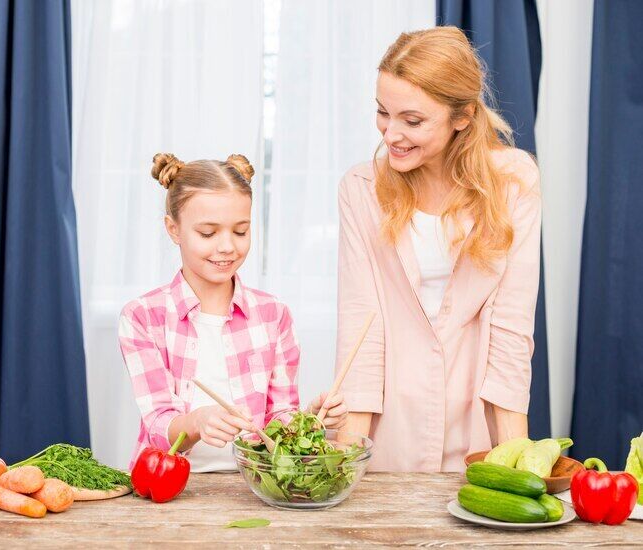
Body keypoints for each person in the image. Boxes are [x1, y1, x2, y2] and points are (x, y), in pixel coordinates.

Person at [336, 27, 541, 471]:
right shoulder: (361, 188)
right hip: (388, 420)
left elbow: (511, 325)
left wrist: (517, 462)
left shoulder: (514, 182)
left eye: (412, 121)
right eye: (382, 113)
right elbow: (361, 324)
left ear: (463, 116)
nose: (391, 135)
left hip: (476, 417)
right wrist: (344, 464)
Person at [119, 153, 348, 472]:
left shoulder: (274, 315)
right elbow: (159, 426)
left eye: (240, 231)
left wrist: (312, 419)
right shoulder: (143, 317)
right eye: (208, 233)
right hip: (167, 487)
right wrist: (197, 422)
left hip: (252, 485)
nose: (227, 246)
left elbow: (279, 418)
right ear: (173, 229)